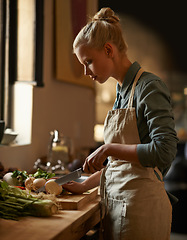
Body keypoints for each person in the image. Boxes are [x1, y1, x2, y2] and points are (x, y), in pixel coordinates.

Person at [62, 7, 178, 240]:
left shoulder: (149, 87)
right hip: (117, 203)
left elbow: (165, 151)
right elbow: (120, 164)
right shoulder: (120, 91)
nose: (86, 72)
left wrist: (108, 148)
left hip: (142, 209)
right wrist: (84, 185)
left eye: (89, 62)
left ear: (108, 50)